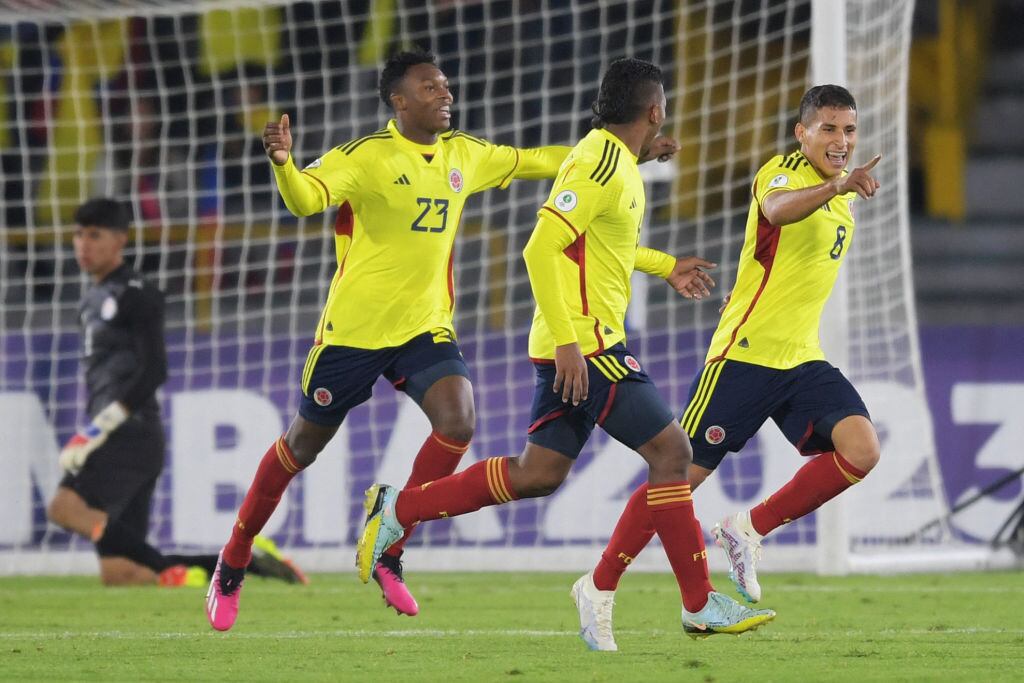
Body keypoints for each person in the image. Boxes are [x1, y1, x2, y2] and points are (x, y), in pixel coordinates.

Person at [204, 47, 669, 631]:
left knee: (458, 420)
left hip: (425, 327)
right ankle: (235, 556)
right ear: (398, 101)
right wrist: (282, 163)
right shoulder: (365, 157)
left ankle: (391, 545)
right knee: (302, 446)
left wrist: (630, 153)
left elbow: (542, 160)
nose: (444, 94)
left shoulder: (464, 154)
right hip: (354, 332)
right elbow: (304, 200)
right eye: (430, 88)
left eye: (445, 86)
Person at [356, 58, 777, 651]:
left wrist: (665, 267)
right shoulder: (601, 163)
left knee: (538, 474)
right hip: (587, 343)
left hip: (580, 341)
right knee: (673, 451)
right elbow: (539, 249)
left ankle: (401, 507)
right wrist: (569, 342)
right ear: (654, 112)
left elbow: (606, 246)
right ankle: (699, 602)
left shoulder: (616, 162)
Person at [575, 84, 883, 642]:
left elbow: (774, 264)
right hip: (743, 359)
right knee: (675, 480)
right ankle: (597, 586)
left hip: (801, 359)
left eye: (850, 130)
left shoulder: (840, 195)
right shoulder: (783, 173)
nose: (841, 141)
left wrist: (838, 188)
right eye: (829, 129)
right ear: (802, 132)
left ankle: (747, 529)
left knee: (862, 450)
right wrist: (838, 181)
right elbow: (775, 212)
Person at [46, 198, 304, 588]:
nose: (83, 244)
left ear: (120, 240)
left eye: (94, 235)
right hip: (119, 436)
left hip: (128, 434)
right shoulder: (88, 302)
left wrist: (98, 429)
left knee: (64, 508)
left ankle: (175, 572)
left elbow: (154, 370)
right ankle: (248, 562)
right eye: (78, 235)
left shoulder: (138, 293)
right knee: (124, 574)